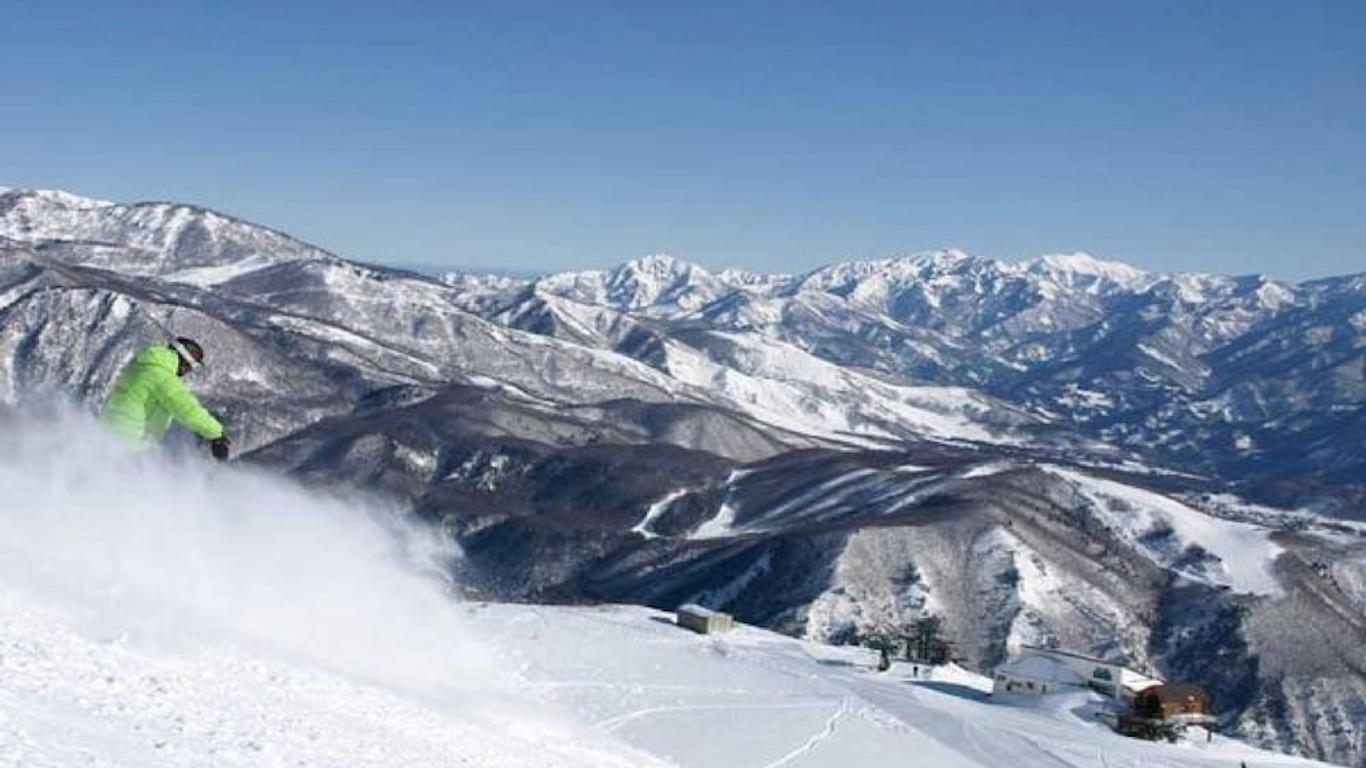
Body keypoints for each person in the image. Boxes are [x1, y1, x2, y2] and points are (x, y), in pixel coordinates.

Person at [101, 337, 230, 460]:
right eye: (192, 367)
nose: (188, 372)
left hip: (107, 434)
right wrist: (216, 434)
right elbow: (186, 408)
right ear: (185, 361)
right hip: (130, 443)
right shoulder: (162, 376)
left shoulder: (141, 366)